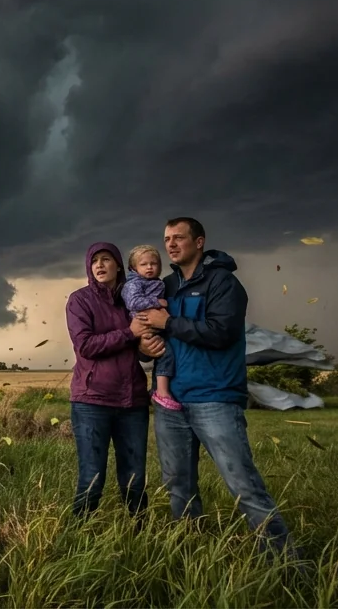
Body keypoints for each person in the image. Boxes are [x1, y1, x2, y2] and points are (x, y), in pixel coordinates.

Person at [133, 217, 298, 556]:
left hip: (216, 398)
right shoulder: (164, 286)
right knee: (178, 485)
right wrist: (142, 348)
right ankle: (192, 555)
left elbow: (221, 333)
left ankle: (287, 564)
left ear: (199, 242)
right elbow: (153, 331)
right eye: (166, 239)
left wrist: (169, 322)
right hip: (171, 402)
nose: (171, 244)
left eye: (179, 237)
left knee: (243, 484)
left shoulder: (224, 284)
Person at [64, 241, 165, 519]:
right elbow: (85, 346)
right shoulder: (79, 300)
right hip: (91, 401)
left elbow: (141, 349)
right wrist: (129, 334)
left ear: (119, 265)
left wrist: (145, 348)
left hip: (132, 401)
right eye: (94, 261)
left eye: (106, 259)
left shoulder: (131, 301)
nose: (99, 265)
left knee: (134, 480)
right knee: (92, 478)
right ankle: (78, 537)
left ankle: (139, 536)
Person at [122, 245, 178, 411]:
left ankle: (156, 389)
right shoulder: (134, 284)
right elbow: (133, 302)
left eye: (154, 264)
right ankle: (161, 391)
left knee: (165, 351)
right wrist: (157, 302)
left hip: (154, 324)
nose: (149, 267)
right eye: (144, 264)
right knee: (166, 353)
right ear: (134, 267)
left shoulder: (155, 282)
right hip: (144, 324)